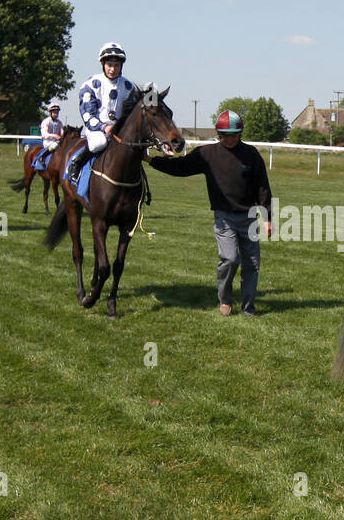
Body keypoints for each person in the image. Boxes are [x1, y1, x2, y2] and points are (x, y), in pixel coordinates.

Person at [148, 110, 272, 316]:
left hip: (249, 218)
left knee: (252, 264)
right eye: (224, 135)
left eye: (233, 134)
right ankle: (225, 299)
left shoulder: (251, 155)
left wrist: (268, 218)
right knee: (230, 259)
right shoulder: (207, 154)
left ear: (240, 133)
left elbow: (263, 188)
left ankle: (249, 307)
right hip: (224, 219)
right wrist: (152, 161)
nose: (229, 139)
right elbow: (180, 167)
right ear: (218, 133)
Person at [66, 43, 139, 186]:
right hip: (97, 130)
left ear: (121, 66)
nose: (112, 69)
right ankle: (76, 163)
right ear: (103, 64)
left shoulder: (129, 87)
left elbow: (132, 113)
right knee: (99, 142)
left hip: (119, 131)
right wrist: (104, 127)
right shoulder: (91, 84)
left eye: (116, 65)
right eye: (109, 65)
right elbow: (87, 113)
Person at [36, 103, 64, 169]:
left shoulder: (59, 122)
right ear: (50, 113)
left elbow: (62, 132)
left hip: (56, 141)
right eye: (54, 113)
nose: (56, 114)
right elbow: (44, 135)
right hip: (48, 142)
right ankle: (42, 157)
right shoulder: (46, 121)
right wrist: (55, 136)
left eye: (57, 113)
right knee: (55, 145)